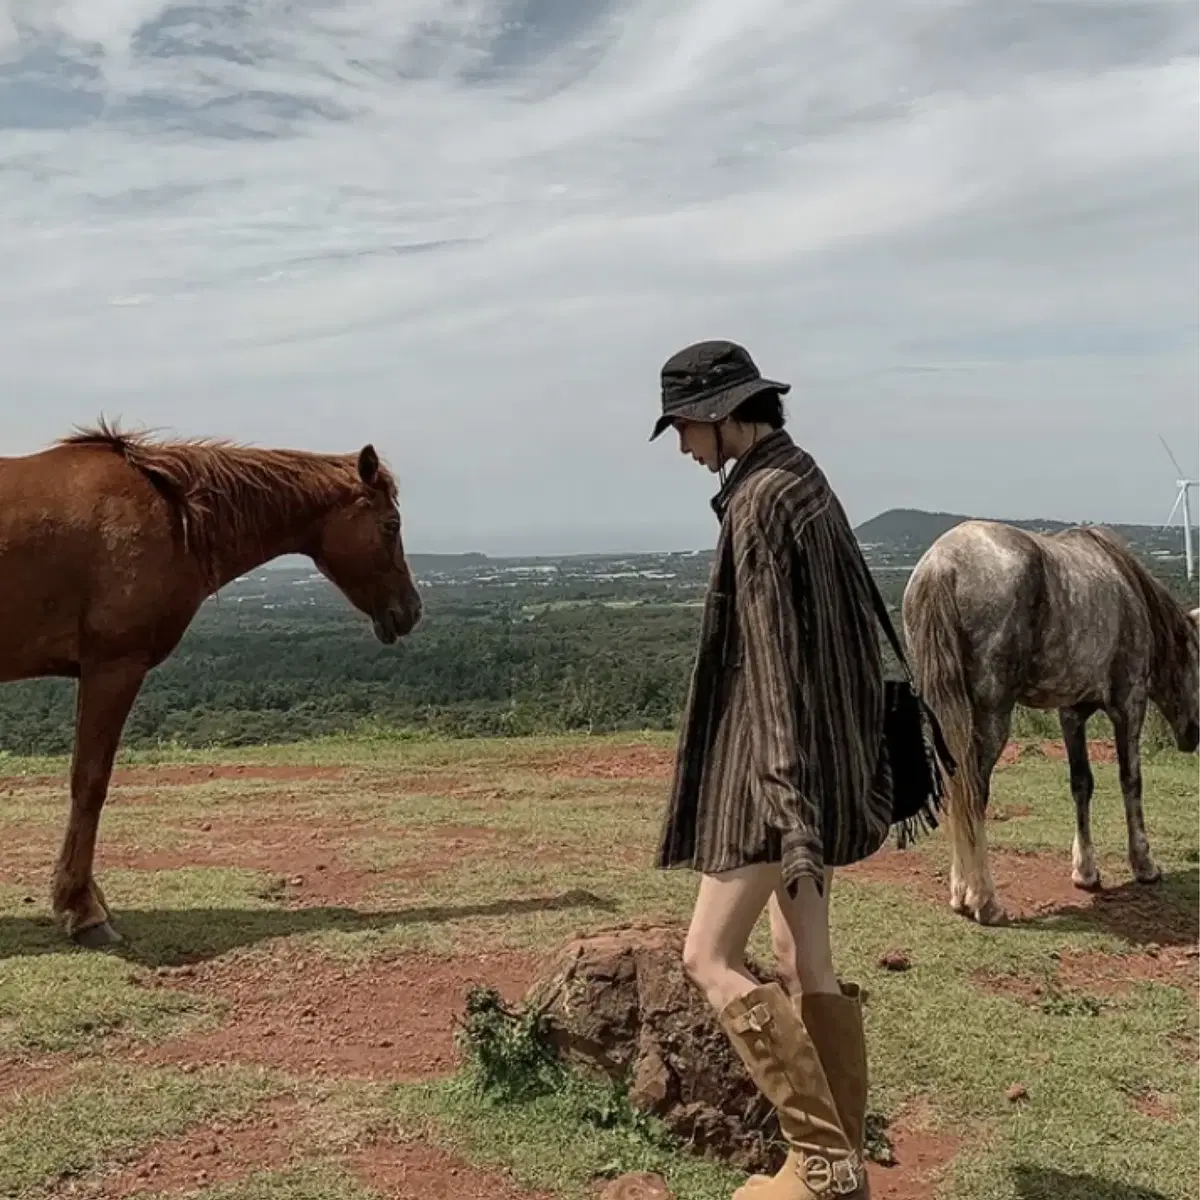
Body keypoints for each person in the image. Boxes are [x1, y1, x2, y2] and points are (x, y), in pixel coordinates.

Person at [649, 339, 898, 1199]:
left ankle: (821, 1161)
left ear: (721, 418)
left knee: (707, 956)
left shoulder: (757, 505)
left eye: (683, 427)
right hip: (825, 764)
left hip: (774, 777)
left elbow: (774, 665)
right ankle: (844, 1162)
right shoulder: (804, 478)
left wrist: (789, 808)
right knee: (805, 965)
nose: (682, 448)